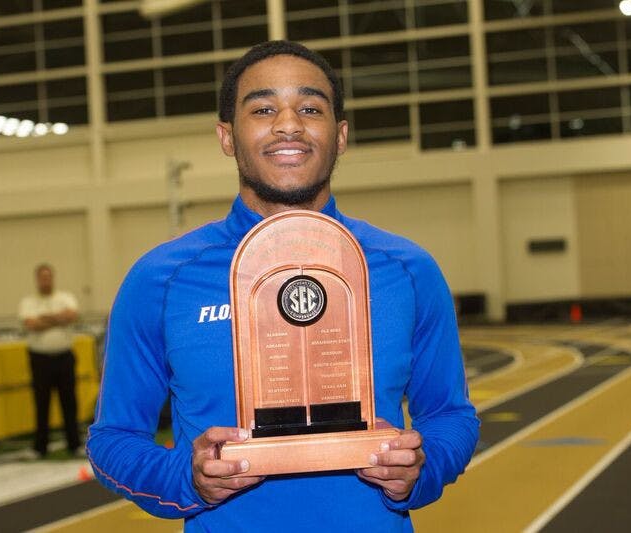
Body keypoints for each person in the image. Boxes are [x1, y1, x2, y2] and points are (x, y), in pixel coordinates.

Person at [87, 41, 479, 531]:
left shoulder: (408, 270)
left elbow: (450, 414)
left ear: (340, 136)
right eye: (264, 108)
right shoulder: (160, 279)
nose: (288, 124)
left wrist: (422, 468)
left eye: (310, 108)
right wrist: (184, 478)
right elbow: (112, 439)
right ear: (227, 136)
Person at [18, 263, 81, 457]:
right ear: (37, 279)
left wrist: (45, 318)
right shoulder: (28, 302)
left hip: (64, 357)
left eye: (48, 277)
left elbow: (72, 316)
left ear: (53, 278)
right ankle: (40, 447)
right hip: (40, 359)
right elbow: (31, 324)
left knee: (69, 402)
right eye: (42, 277)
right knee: (41, 403)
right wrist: (57, 318)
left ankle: (74, 444)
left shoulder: (65, 297)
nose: (45, 281)